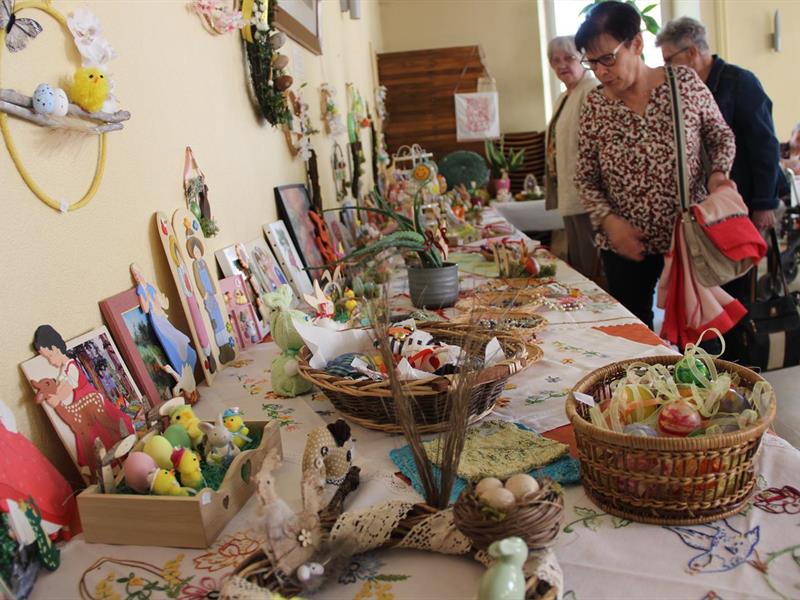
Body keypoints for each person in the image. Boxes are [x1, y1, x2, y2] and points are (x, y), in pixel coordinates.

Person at [574, 1, 735, 330]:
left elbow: (721, 136)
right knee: (636, 338)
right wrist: (610, 222)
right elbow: (585, 178)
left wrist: (719, 176)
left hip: (689, 240)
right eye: (592, 63)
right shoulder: (594, 105)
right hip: (625, 248)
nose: (601, 72)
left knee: (701, 338)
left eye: (608, 58)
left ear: (636, 43)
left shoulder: (683, 84)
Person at [656, 17, 781, 232]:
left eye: (669, 60)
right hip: (705, 205)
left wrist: (764, 203)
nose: (666, 68)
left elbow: (764, 144)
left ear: (692, 53)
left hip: (742, 199)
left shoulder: (740, 82)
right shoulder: (680, 92)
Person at [544, 35, 599, 280]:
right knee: (578, 262)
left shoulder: (592, 90)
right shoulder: (564, 96)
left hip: (587, 195)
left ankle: (604, 314)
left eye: (568, 58)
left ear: (583, 59)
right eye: (556, 61)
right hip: (569, 190)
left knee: (593, 263)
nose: (562, 65)